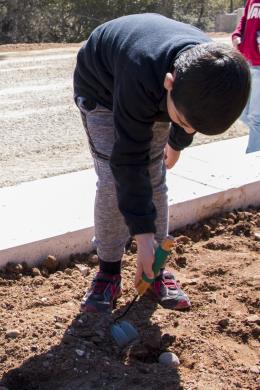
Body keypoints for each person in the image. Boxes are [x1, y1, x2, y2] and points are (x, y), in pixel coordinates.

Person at [74, 13, 250, 313]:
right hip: (102, 89)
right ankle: (108, 271)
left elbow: (189, 118)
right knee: (114, 182)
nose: (187, 128)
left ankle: (153, 268)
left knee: (154, 174)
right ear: (170, 83)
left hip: (155, 94)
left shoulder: (211, 71)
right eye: (181, 122)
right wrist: (142, 237)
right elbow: (127, 162)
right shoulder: (142, 71)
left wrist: (177, 141)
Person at [232, 0, 260, 153]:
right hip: (247, 62)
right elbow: (244, 19)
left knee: (256, 119)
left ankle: (253, 161)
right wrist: (237, 35)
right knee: (242, 113)